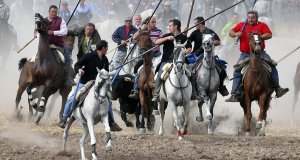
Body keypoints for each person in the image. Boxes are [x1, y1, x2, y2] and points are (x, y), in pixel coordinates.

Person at [58, 40, 122, 131]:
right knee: (73, 98)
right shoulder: (88, 56)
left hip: (98, 85)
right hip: (85, 83)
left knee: (108, 100)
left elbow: (106, 72)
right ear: (103, 48)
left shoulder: (105, 59)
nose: (107, 49)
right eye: (107, 47)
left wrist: (110, 74)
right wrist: (79, 70)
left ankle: (111, 122)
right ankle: (64, 118)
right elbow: (77, 65)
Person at [225, 10, 289, 102]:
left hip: (260, 53)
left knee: (272, 65)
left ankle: (277, 88)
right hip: (245, 54)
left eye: (253, 18)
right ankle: (235, 93)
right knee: (237, 70)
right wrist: (236, 34)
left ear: (257, 18)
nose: (250, 19)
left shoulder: (262, 25)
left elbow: (269, 34)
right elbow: (230, 32)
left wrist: (259, 37)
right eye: (249, 18)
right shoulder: (241, 25)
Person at [186, 16, 229, 98]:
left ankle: (221, 86)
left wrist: (209, 42)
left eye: (195, 24)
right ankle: (191, 89)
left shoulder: (210, 32)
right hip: (196, 55)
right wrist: (185, 35)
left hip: (209, 55)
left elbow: (218, 42)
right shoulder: (195, 33)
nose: (194, 25)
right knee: (187, 69)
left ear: (200, 24)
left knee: (221, 69)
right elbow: (188, 42)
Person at [151, 19, 192, 106]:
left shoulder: (183, 37)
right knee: (159, 75)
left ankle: (194, 92)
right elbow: (156, 42)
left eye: (170, 25)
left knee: (192, 73)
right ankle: (156, 94)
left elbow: (189, 48)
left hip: (181, 61)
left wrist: (184, 52)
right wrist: (167, 38)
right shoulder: (167, 35)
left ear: (175, 26)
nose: (168, 27)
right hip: (167, 61)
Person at [36, 5, 74, 86]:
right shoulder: (44, 21)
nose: (54, 13)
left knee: (67, 59)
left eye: (55, 12)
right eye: (52, 12)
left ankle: (68, 77)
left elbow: (64, 31)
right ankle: (34, 73)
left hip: (58, 45)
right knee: (36, 58)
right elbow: (38, 33)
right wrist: (37, 34)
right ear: (49, 12)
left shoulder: (61, 20)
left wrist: (54, 32)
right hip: (46, 45)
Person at [128, 16, 163, 99]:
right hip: (145, 57)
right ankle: (136, 89)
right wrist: (143, 28)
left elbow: (161, 40)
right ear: (148, 23)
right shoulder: (144, 31)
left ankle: (159, 88)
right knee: (136, 68)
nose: (154, 23)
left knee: (158, 68)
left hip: (156, 55)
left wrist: (156, 42)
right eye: (152, 22)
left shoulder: (159, 31)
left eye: (155, 22)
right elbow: (133, 38)